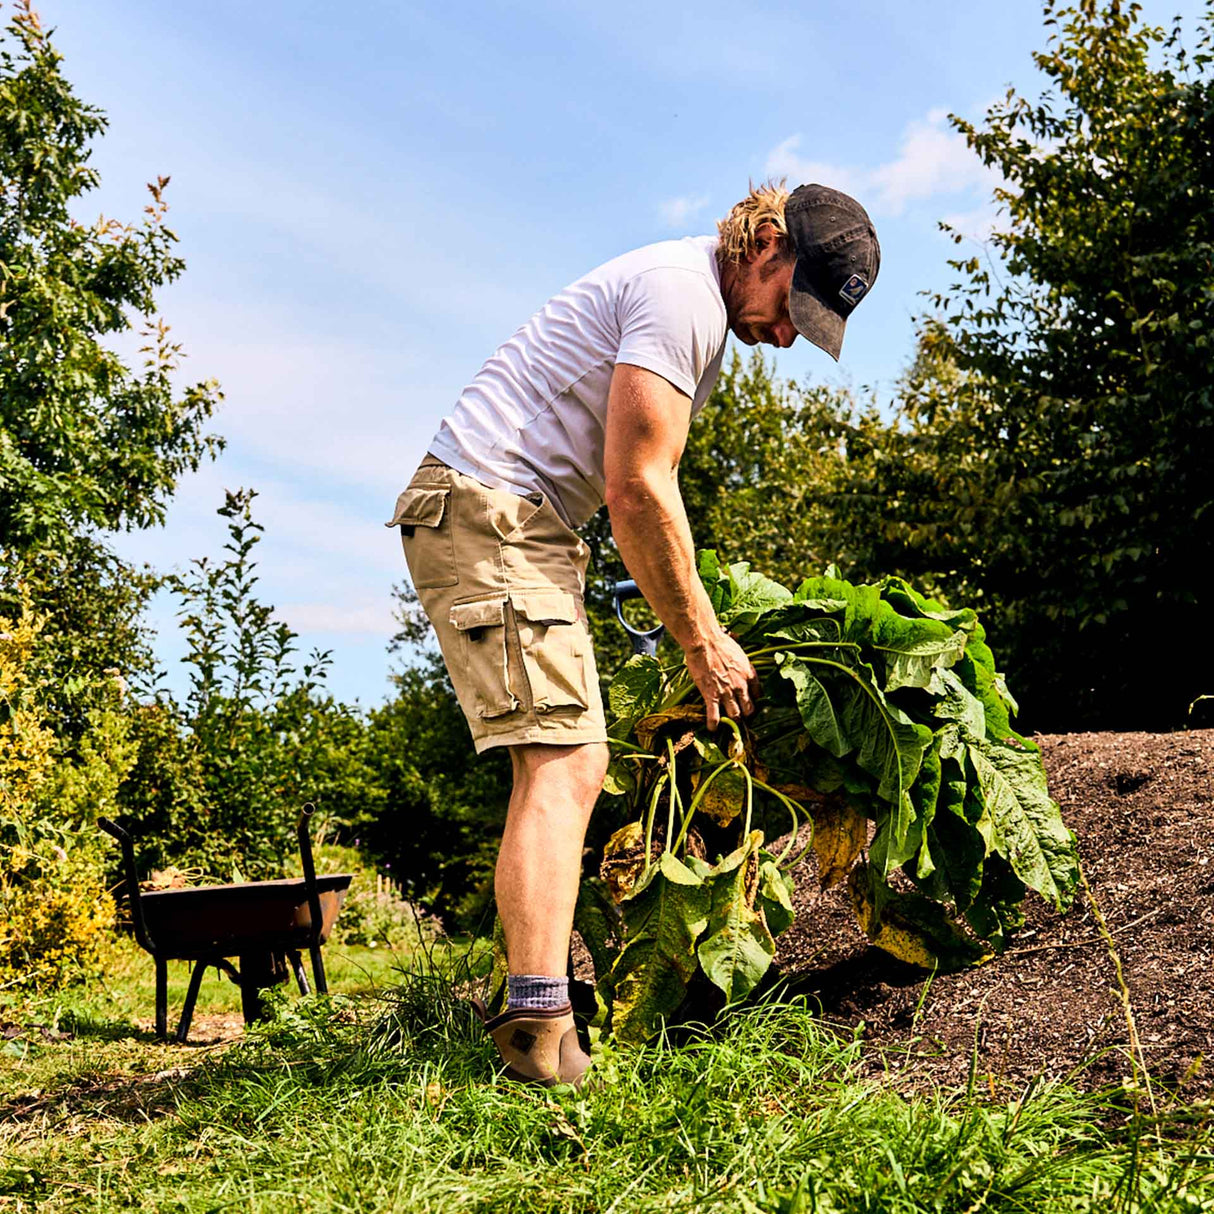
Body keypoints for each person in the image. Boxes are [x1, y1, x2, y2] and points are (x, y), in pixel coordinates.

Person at [387, 179, 880, 1087]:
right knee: (566, 763)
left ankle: (538, 1015)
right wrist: (701, 639)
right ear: (766, 243)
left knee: (570, 761)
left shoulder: (692, 310)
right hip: (489, 512)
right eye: (791, 308)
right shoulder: (681, 295)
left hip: (520, 523)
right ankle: (538, 1036)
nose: (785, 336)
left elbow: (649, 492)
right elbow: (638, 487)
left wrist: (696, 617)